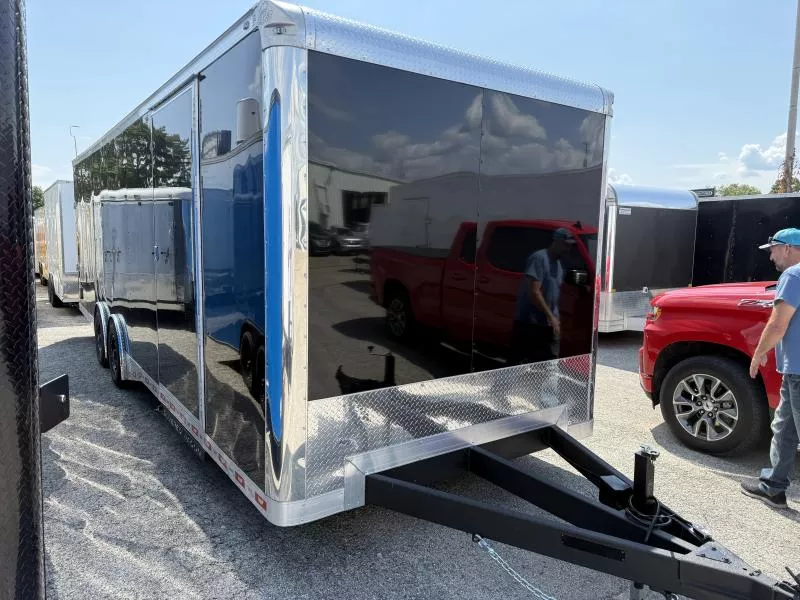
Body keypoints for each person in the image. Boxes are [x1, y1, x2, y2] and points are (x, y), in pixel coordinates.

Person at [741, 227, 800, 509]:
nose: (771, 257)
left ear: (787, 248)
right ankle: (774, 487)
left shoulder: (793, 275)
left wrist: (759, 353)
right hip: (794, 371)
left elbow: (778, 323)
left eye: (773, 250)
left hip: (799, 370)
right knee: (785, 427)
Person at [511, 227, 574, 364]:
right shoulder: (539, 258)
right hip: (530, 322)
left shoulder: (559, 265)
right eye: (565, 245)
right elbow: (534, 292)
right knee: (518, 363)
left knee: (550, 363)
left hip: (548, 324)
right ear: (556, 241)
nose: (567, 249)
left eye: (569, 246)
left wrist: (555, 318)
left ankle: (546, 385)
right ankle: (503, 386)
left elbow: (554, 294)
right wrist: (551, 316)